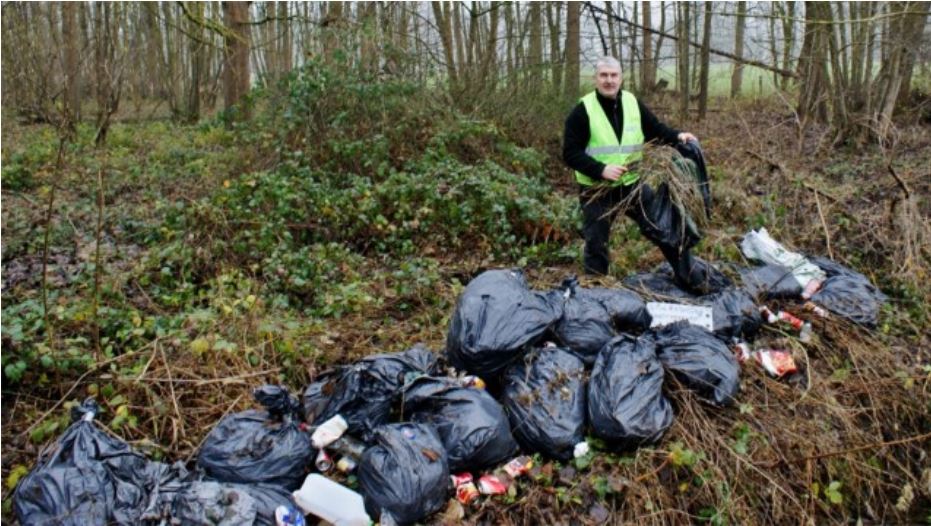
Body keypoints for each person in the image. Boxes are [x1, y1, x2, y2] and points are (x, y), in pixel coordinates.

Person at [562, 56, 700, 284]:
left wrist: (677, 136)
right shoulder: (583, 110)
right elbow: (570, 152)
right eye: (604, 75)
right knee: (597, 245)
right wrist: (601, 169)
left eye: (613, 75)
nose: (609, 80)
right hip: (596, 190)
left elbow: (655, 130)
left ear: (621, 78)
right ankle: (597, 295)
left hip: (631, 185)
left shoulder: (632, 103)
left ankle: (692, 279)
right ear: (596, 79)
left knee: (664, 227)